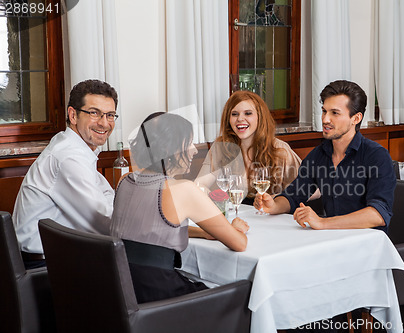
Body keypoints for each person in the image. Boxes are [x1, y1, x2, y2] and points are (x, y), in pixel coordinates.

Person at [110, 112, 248, 303]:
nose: (193, 150)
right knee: (244, 296)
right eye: (188, 143)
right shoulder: (182, 190)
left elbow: (150, 231)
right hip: (163, 298)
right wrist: (237, 228)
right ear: (168, 148)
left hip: (125, 291)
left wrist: (203, 232)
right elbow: (240, 244)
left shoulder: (124, 182)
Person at [255, 80, 396, 232]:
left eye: (334, 113)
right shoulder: (318, 155)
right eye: (324, 111)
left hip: (368, 244)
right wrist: (274, 206)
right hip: (331, 241)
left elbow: (378, 215)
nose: (325, 119)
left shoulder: (376, 156)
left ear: (356, 118)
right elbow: (294, 195)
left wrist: (323, 223)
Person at [13, 79, 118, 269]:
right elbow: (105, 223)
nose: (104, 123)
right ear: (73, 115)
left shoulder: (72, 147)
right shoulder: (68, 157)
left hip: (55, 257)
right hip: (44, 268)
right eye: (94, 113)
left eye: (110, 115)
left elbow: (108, 196)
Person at [197, 90, 301, 204]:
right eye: (234, 114)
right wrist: (212, 199)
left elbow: (311, 190)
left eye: (248, 113)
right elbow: (199, 184)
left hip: (270, 216)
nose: (240, 119)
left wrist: (276, 199)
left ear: (260, 117)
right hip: (235, 216)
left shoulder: (279, 149)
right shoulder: (221, 147)